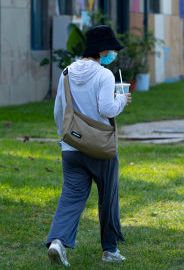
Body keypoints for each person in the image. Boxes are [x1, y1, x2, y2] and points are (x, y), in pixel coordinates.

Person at [46, 24, 132, 267]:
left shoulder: (66, 72)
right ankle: (110, 250)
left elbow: (59, 111)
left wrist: (64, 139)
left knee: (71, 196)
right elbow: (107, 109)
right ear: (102, 50)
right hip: (100, 149)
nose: (113, 54)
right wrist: (122, 100)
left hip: (71, 147)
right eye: (112, 50)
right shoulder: (105, 75)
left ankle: (57, 242)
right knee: (108, 197)